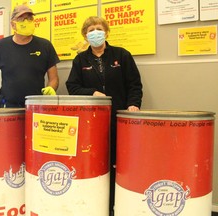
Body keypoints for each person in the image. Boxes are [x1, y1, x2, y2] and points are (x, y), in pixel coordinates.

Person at [65, 16, 143, 216]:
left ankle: (119, 206)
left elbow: (134, 84)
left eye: (98, 28)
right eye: (90, 29)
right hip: (91, 124)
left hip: (121, 120)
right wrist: (92, 92)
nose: (95, 32)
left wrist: (133, 105)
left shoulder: (122, 55)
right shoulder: (80, 59)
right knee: (98, 163)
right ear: (85, 35)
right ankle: (99, 206)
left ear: (106, 32)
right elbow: (72, 87)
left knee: (121, 164)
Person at [0, 5, 60, 110]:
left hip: (35, 106)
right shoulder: (1, 46)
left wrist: (51, 88)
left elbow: (54, 77)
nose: (27, 22)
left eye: (29, 19)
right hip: (8, 107)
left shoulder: (45, 46)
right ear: (13, 25)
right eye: (22, 19)